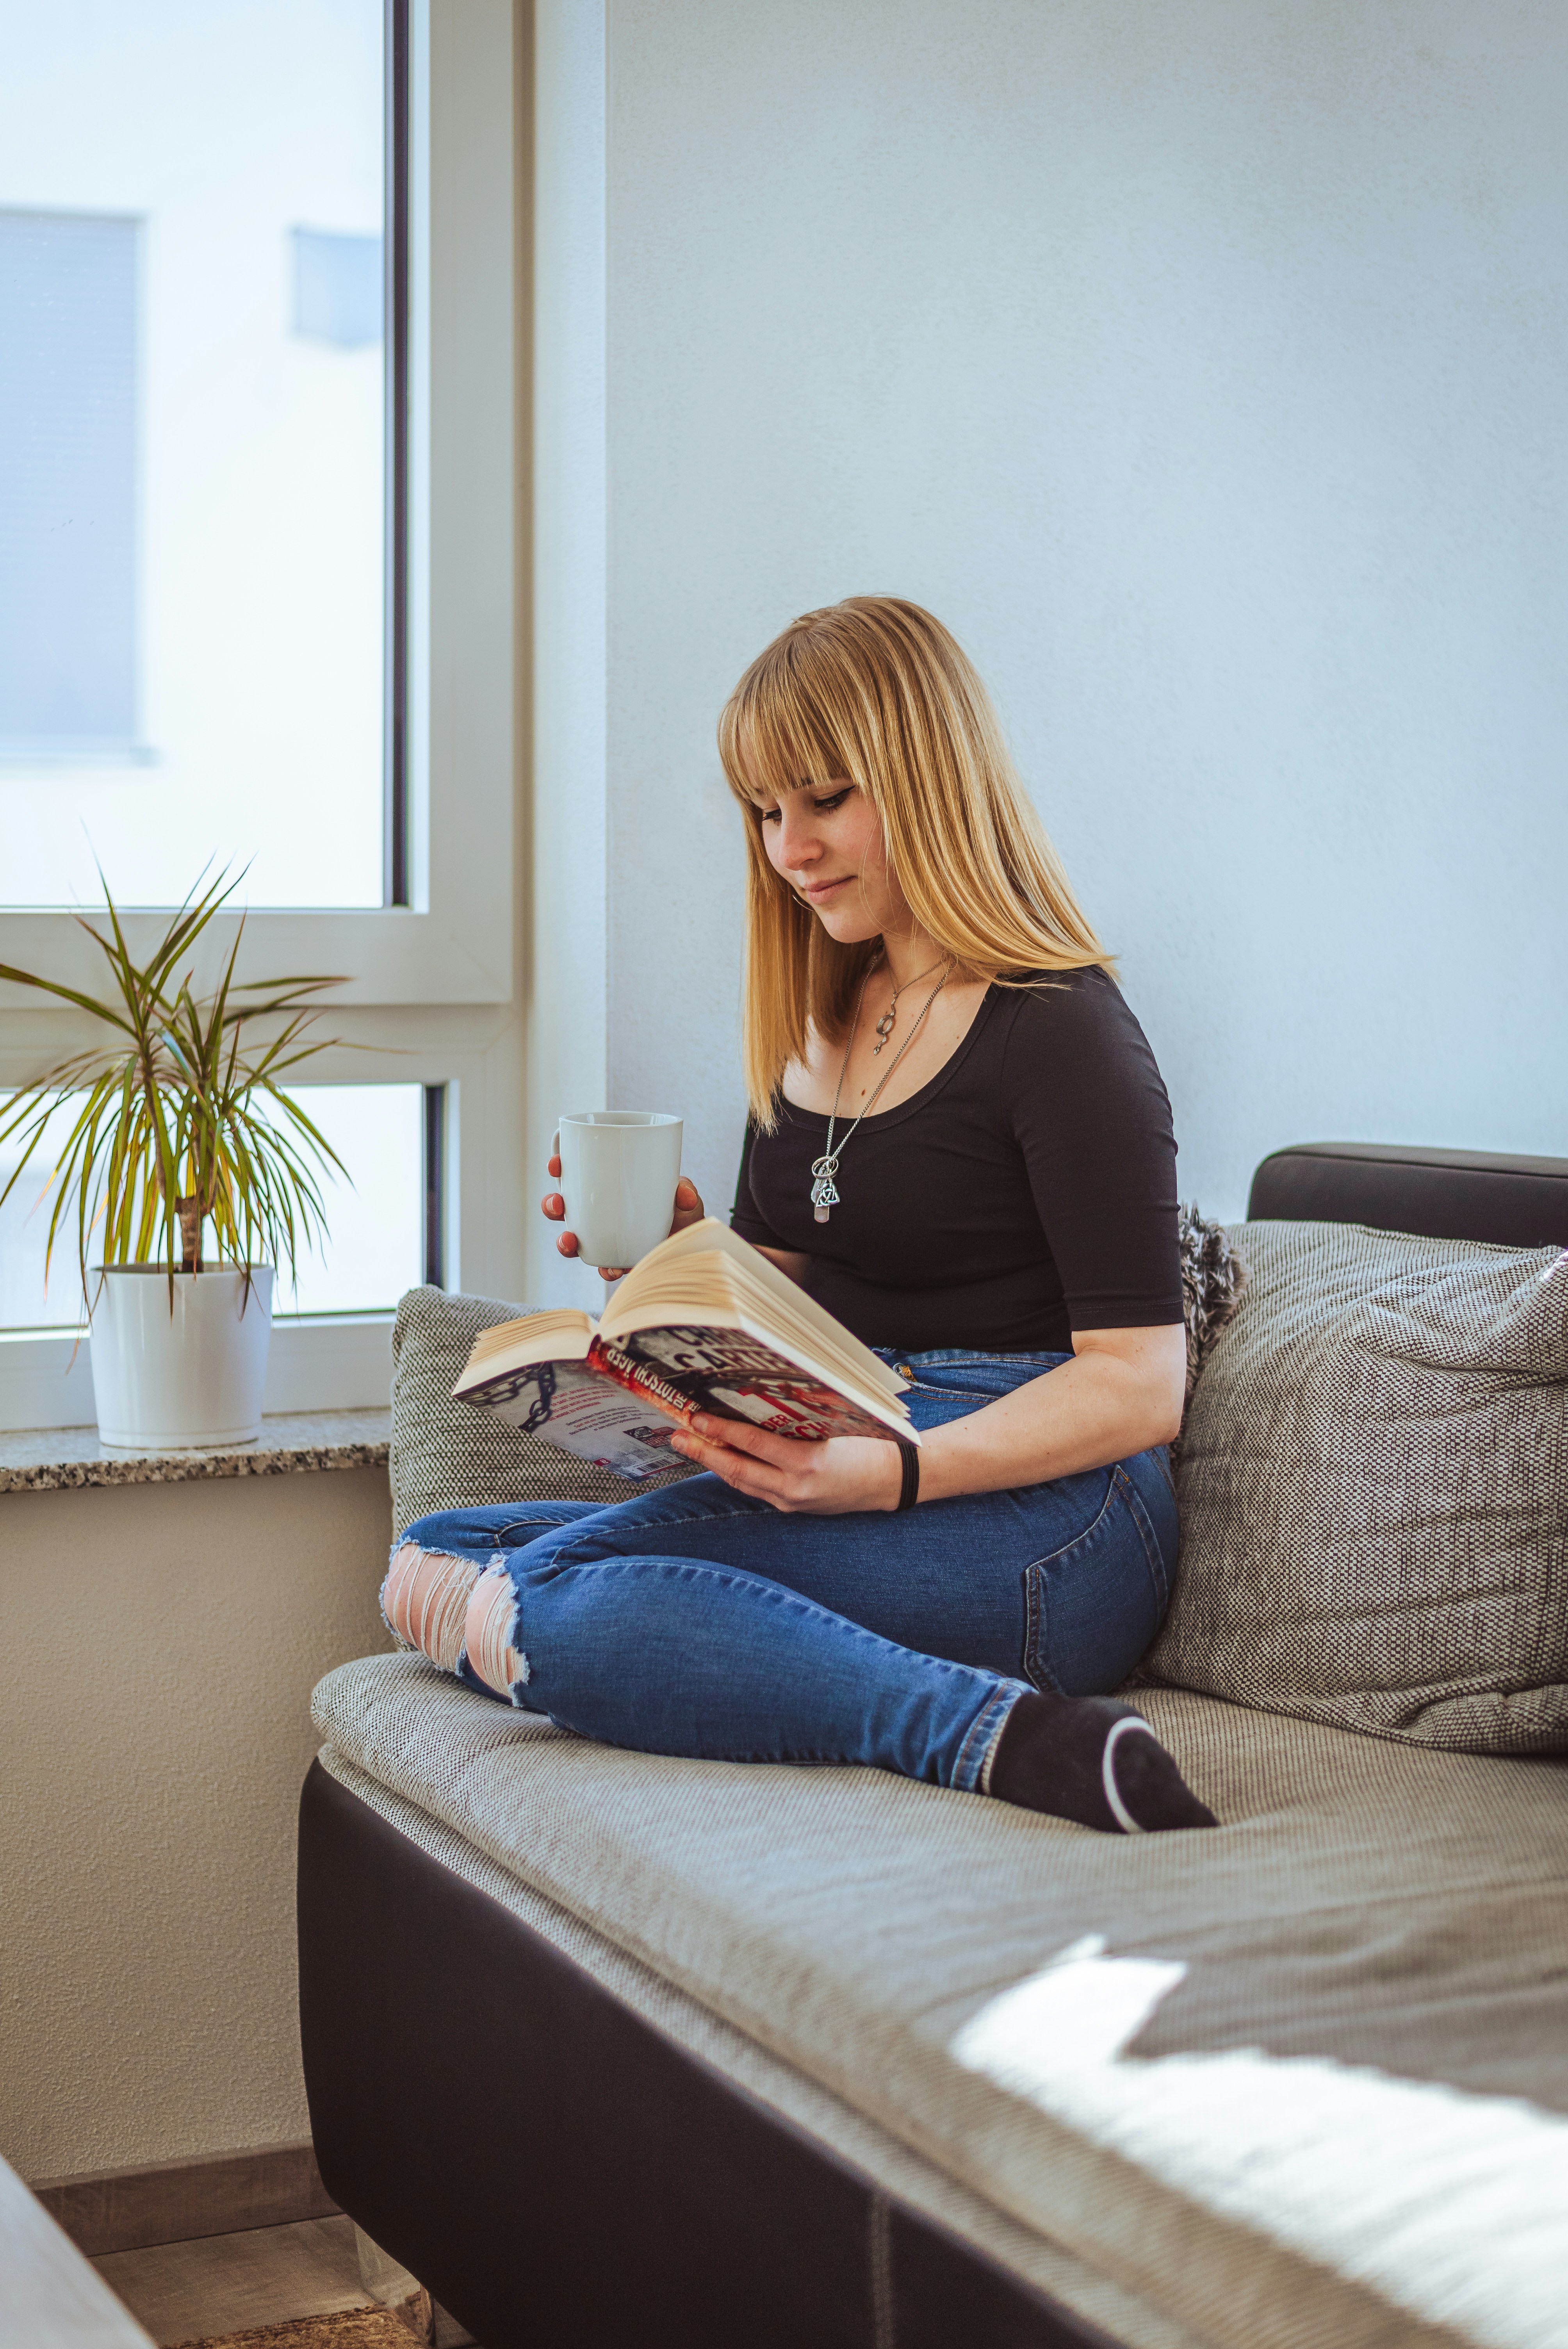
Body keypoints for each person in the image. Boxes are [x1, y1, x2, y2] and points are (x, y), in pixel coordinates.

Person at [385, 597, 1215, 1834]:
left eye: (826, 799)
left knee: (544, 1596)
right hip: (856, 1425)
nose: (790, 848)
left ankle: (998, 1741)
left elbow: (1141, 1387)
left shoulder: (1063, 1030)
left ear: (930, 776)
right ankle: (972, 1713)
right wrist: (669, 1267)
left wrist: (891, 1474)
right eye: (766, 811)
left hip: (1058, 1511)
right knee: (435, 1554)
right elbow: (779, 1309)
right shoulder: (816, 1023)